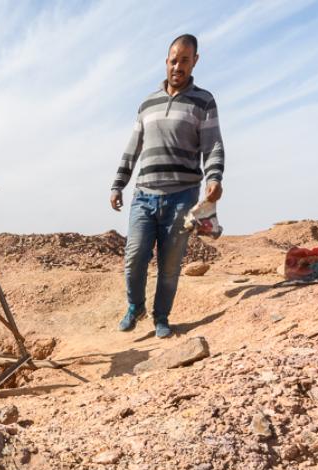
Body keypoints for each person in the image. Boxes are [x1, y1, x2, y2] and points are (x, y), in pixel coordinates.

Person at [110, 33, 225, 338]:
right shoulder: (147, 103)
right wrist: (118, 184)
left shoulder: (204, 101)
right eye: (173, 60)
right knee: (134, 257)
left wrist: (214, 178)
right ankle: (136, 307)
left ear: (195, 62)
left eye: (185, 60)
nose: (178, 66)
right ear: (166, 61)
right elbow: (132, 147)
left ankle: (161, 317)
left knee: (170, 265)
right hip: (144, 195)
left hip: (182, 196)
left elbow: (212, 146)